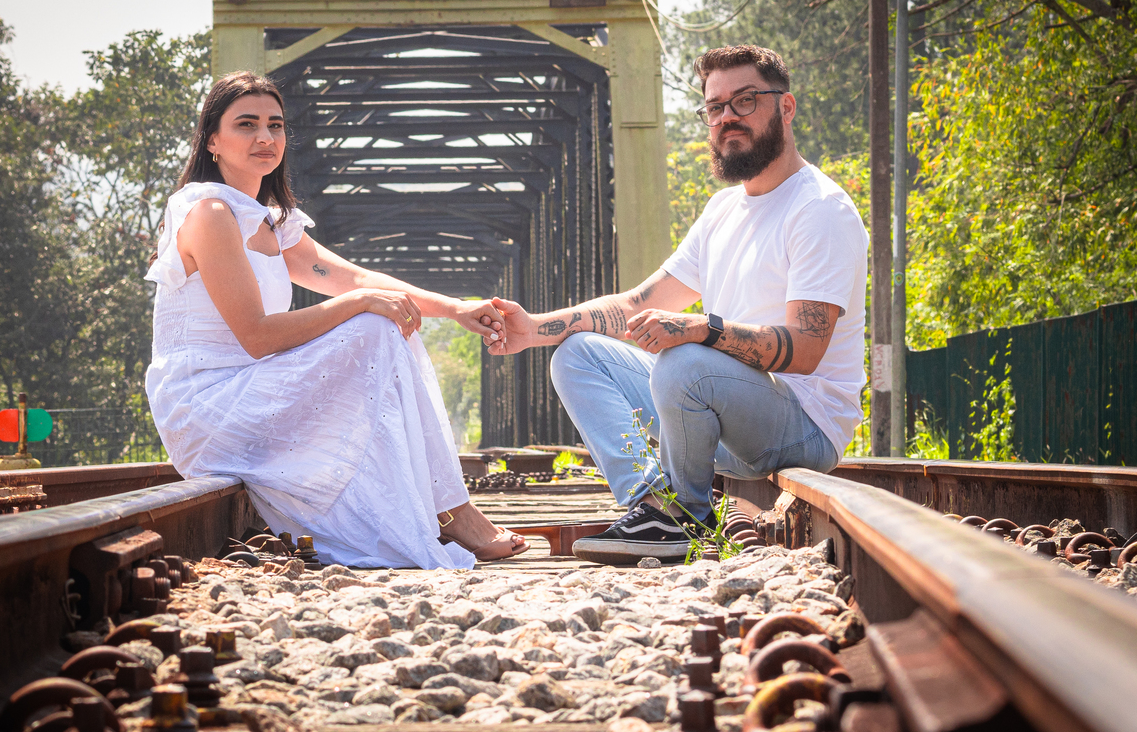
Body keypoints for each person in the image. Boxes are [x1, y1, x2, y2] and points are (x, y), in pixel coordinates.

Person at [488, 45, 868, 565]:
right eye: (715, 107)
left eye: (745, 100)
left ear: (786, 106)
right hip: (729, 415)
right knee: (577, 355)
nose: (728, 117)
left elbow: (804, 351)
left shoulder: (819, 209)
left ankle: (685, 515)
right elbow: (638, 304)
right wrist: (533, 328)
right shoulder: (722, 211)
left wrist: (701, 329)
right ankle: (653, 503)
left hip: (803, 424)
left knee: (685, 361)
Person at [145, 71, 527, 569]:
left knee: (387, 322)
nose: (265, 137)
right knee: (372, 324)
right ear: (212, 140)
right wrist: (360, 302)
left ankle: (447, 508)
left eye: (275, 125)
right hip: (208, 405)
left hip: (251, 390)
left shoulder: (270, 222)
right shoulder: (211, 213)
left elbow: (355, 278)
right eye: (246, 124)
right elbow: (258, 336)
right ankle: (450, 513)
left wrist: (455, 308)